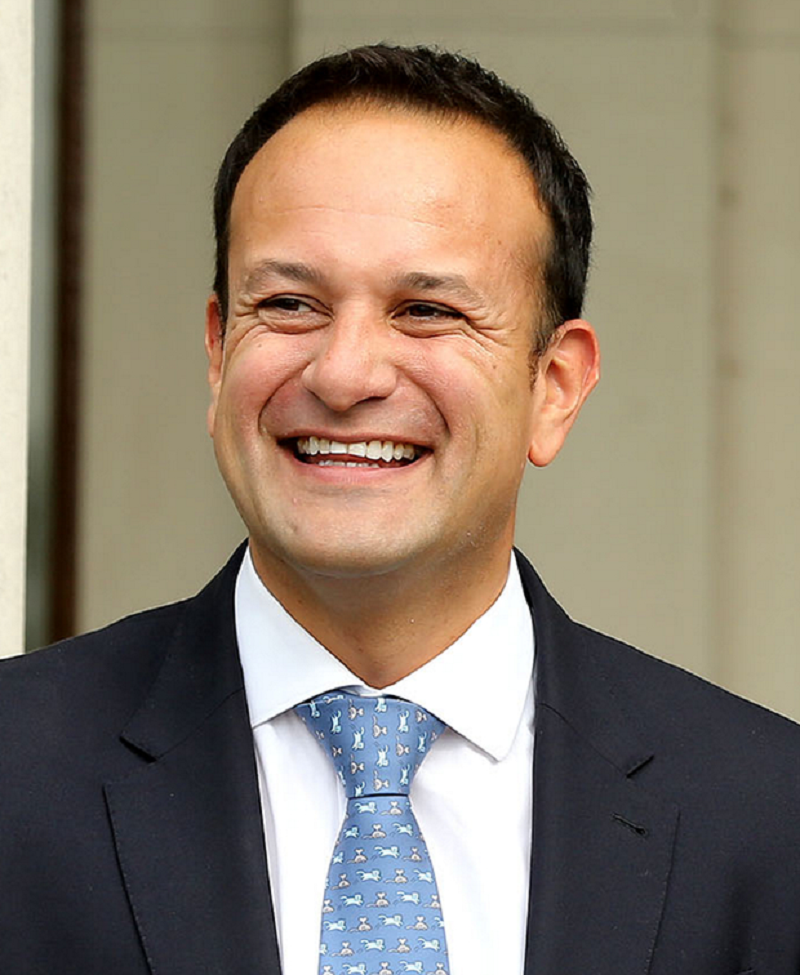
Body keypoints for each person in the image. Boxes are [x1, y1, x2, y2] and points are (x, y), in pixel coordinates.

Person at [2, 43, 800, 975]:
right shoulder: (16, 772)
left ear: (554, 385)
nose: (344, 374)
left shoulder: (767, 819)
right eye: (290, 303)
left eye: (426, 311)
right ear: (219, 354)